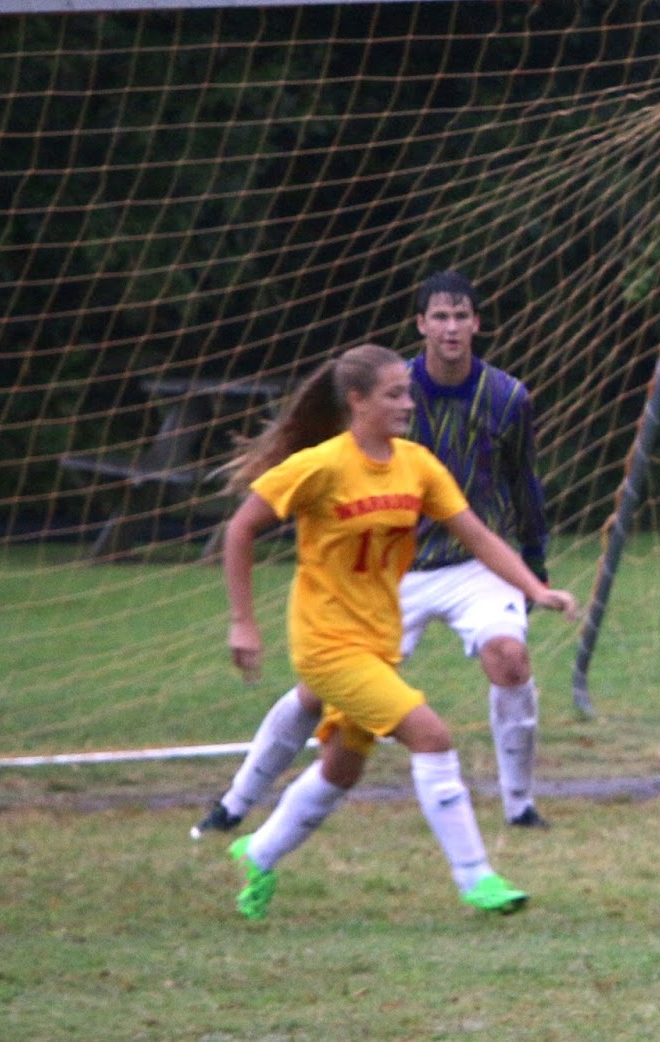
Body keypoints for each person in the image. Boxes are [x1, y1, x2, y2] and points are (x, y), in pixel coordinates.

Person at [218, 342, 580, 918]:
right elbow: (240, 529)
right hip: (326, 644)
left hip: (377, 640)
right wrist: (244, 623)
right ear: (358, 401)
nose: (408, 404)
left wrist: (535, 590)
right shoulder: (320, 466)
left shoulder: (417, 465)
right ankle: (477, 878)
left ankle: (258, 853)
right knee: (431, 735)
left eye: (407, 393)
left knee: (342, 767)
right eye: (394, 395)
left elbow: (476, 535)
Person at [193, 271, 558, 839]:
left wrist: (534, 566)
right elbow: (323, 475)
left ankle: (520, 806)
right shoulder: (389, 387)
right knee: (318, 696)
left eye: (461, 316)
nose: (451, 327)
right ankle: (236, 802)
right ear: (421, 325)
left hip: (470, 565)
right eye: (440, 316)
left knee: (509, 656)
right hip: (390, 573)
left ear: (477, 324)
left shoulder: (507, 397)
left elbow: (521, 482)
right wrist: (244, 619)